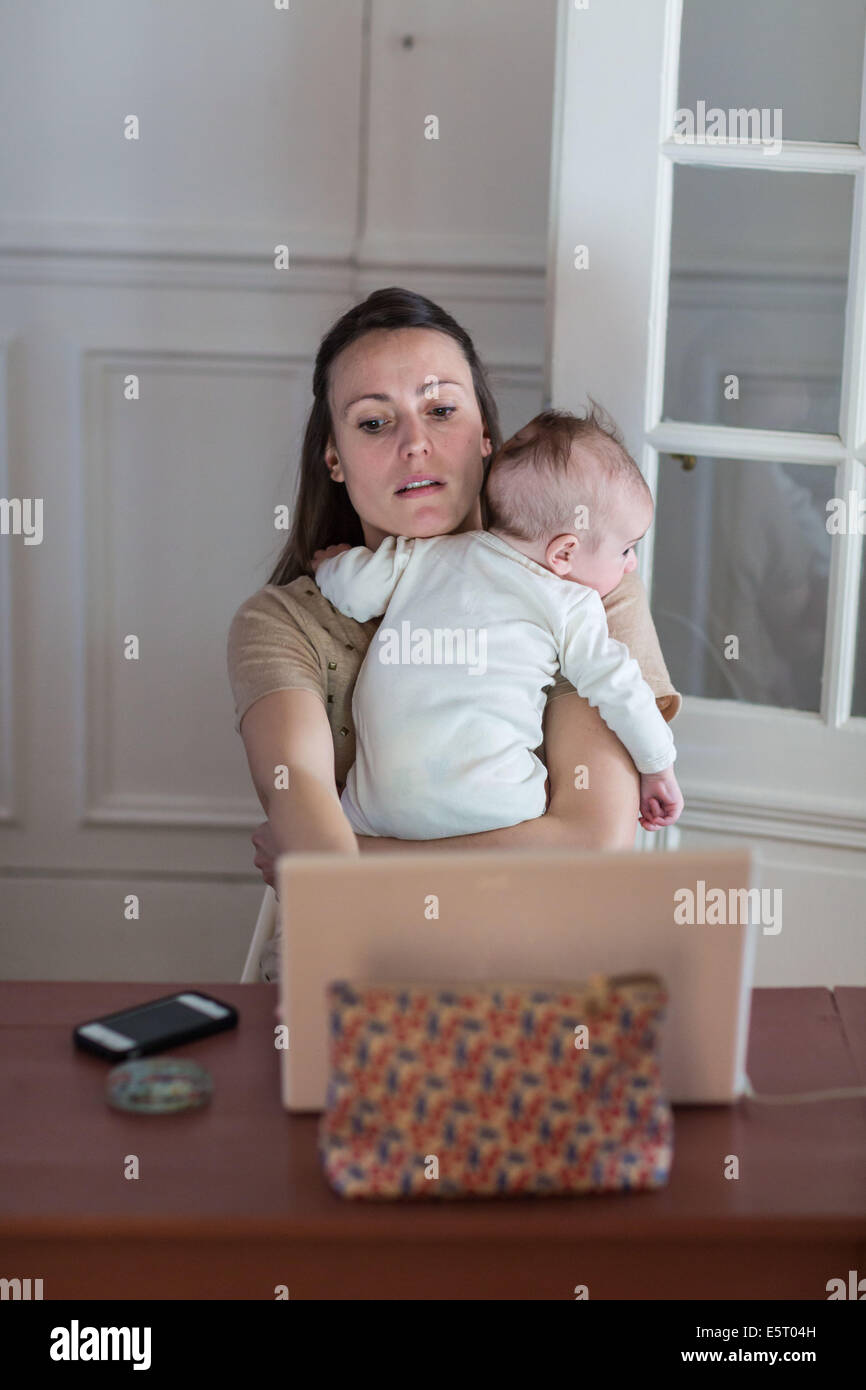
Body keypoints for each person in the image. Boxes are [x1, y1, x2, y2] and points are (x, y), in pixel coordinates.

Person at [226, 287, 681, 981]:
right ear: (335, 459)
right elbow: (302, 813)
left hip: (547, 966)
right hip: (358, 964)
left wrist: (359, 856)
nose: (416, 444)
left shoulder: (582, 579)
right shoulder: (285, 623)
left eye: (441, 411)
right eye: (374, 424)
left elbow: (593, 846)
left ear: (485, 438)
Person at [312, 405, 683, 840]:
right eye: (626, 549)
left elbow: (355, 592)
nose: (630, 564)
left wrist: (329, 565)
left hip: (373, 812)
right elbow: (620, 687)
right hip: (497, 810)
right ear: (563, 553)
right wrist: (658, 767)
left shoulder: (426, 555)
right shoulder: (570, 603)